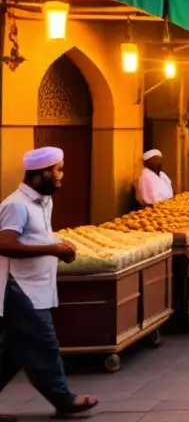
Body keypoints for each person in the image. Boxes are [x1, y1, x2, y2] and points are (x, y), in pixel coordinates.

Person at [0, 147, 98, 417]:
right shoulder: (16, 205)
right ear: (41, 173)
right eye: (58, 170)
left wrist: (58, 244)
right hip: (18, 287)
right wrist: (53, 250)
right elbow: (4, 244)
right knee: (44, 343)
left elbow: (37, 237)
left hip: (38, 286)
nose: (61, 177)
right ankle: (64, 400)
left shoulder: (43, 202)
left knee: (13, 352)